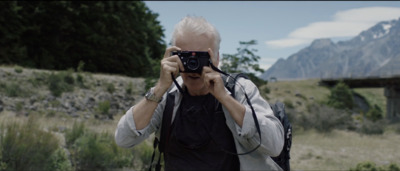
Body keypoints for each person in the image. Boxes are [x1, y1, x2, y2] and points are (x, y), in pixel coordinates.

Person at [115, 16, 284, 171]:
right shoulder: (167, 96)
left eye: (201, 57)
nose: (193, 65)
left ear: (217, 58)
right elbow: (124, 139)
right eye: (186, 57)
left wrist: (225, 98)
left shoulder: (239, 90)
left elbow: (274, 145)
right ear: (173, 57)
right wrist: (159, 88)